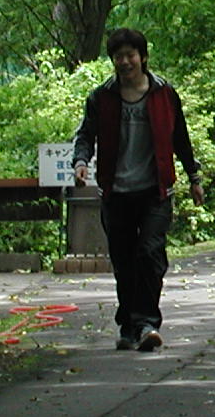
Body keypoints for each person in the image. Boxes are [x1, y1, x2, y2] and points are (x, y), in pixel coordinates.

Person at [70, 27, 203, 352]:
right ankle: (128, 325)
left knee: (150, 254)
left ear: (143, 57)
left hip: (155, 191)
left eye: (130, 55)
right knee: (125, 260)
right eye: (119, 57)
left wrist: (194, 177)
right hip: (116, 193)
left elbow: (180, 138)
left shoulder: (164, 94)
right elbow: (86, 134)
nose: (125, 62)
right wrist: (81, 162)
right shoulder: (102, 97)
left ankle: (146, 324)